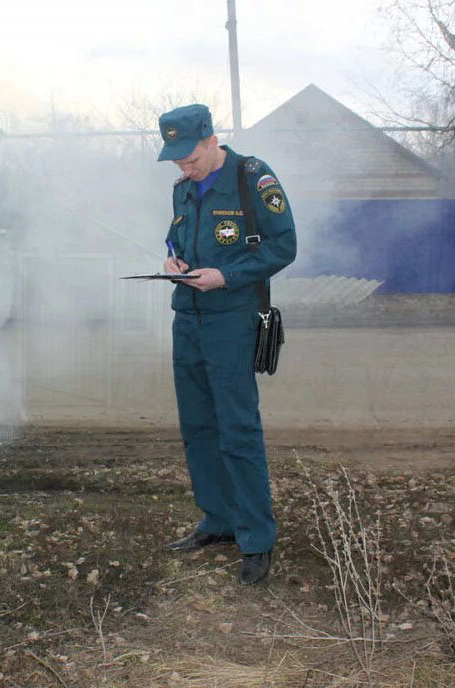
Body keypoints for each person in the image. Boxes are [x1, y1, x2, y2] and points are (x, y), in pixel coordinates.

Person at [156, 104, 296, 585]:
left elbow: (283, 247)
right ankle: (217, 520)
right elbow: (177, 240)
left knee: (237, 427)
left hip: (232, 318)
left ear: (212, 140)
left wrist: (227, 276)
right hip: (187, 316)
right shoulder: (182, 190)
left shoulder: (251, 178)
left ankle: (256, 537)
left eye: (189, 157)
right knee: (198, 425)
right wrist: (174, 262)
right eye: (176, 160)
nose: (184, 168)